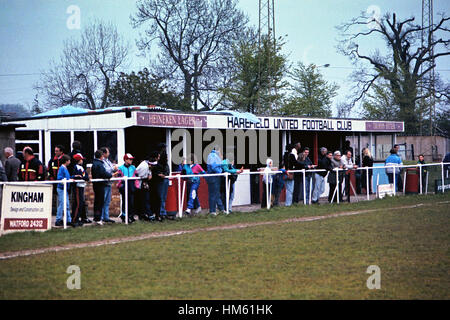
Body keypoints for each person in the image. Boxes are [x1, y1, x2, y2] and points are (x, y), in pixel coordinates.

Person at [91, 150, 112, 225]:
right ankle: (98, 218)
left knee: (97, 202)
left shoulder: (94, 163)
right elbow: (104, 173)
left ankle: (97, 217)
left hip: (96, 185)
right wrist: (110, 175)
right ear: (101, 156)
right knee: (99, 202)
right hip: (100, 185)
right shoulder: (99, 164)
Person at [100, 147, 119, 224]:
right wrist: (113, 169)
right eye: (108, 152)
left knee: (107, 201)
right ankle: (100, 217)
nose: (109, 153)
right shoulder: (102, 161)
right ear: (104, 153)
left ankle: (106, 217)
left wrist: (114, 168)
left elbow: (111, 168)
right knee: (102, 200)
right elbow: (106, 170)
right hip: (104, 183)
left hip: (109, 183)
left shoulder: (108, 161)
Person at [71, 153, 90, 225]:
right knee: (78, 203)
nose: (82, 161)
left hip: (81, 186)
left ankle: (77, 219)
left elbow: (85, 176)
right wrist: (83, 177)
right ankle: (74, 220)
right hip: (78, 186)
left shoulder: (80, 167)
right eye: (81, 159)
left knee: (80, 203)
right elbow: (83, 176)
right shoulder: (77, 167)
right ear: (79, 160)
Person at [117, 153, 137, 224]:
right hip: (124, 185)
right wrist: (120, 186)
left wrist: (136, 186)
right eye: (130, 159)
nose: (131, 161)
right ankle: (124, 216)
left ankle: (131, 216)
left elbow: (136, 177)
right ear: (125, 160)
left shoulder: (133, 167)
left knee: (131, 202)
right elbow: (119, 178)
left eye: (132, 159)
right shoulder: (121, 168)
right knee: (125, 202)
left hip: (131, 185)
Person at [55, 155, 74, 227]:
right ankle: (58, 219)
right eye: (69, 160)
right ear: (66, 161)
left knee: (67, 204)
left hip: (65, 189)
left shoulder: (65, 168)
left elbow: (67, 177)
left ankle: (68, 220)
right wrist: (68, 180)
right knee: (62, 204)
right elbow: (59, 178)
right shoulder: (61, 168)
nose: (70, 162)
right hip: (61, 189)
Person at [206, 147, 224, 216]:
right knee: (213, 194)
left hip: (213, 176)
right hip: (214, 176)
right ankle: (212, 211)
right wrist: (220, 171)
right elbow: (214, 167)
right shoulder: (213, 156)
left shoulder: (212, 155)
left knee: (216, 194)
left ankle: (221, 209)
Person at [135, 155, 153, 221]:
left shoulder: (146, 165)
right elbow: (141, 176)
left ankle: (145, 214)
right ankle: (145, 214)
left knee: (145, 199)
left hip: (144, 184)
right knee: (144, 200)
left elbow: (149, 175)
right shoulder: (144, 166)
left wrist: (149, 174)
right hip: (141, 184)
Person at [149, 151, 164, 222]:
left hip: (157, 184)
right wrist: (158, 175)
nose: (159, 158)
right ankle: (153, 215)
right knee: (154, 199)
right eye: (158, 157)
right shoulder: (150, 164)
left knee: (158, 199)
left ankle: (157, 215)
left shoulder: (159, 165)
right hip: (152, 184)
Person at [157, 143, 171, 219]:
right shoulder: (160, 159)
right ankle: (161, 212)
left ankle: (163, 212)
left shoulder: (164, 161)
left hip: (165, 179)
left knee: (163, 197)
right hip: (162, 180)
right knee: (161, 197)